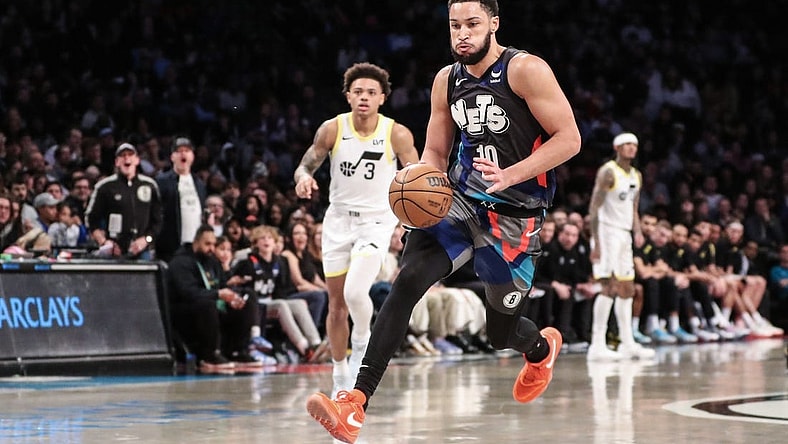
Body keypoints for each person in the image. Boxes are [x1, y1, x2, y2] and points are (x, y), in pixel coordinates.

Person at [305, 2, 581, 442]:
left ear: (494, 24)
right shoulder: (446, 80)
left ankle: (540, 349)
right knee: (408, 281)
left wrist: (511, 174)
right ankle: (354, 403)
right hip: (461, 201)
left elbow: (570, 139)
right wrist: (420, 184)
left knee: (500, 332)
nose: (463, 35)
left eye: (472, 24)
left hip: (515, 218)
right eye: (455, 26)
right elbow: (435, 150)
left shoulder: (525, 70)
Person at [293, 62, 419, 396]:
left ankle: (361, 340)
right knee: (336, 306)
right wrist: (304, 177)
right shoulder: (332, 129)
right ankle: (339, 377)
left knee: (353, 293)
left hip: (376, 221)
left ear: (382, 98)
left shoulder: (397, 134)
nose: (364, 97)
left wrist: (407, 222)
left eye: (371, 93)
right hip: (337, 221)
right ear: (348, 96)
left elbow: (418, 180)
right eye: (358, 92)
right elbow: (307, 163)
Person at [587, 132, 655, 361]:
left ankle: (628, 343)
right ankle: (597, 344)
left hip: (624, 234)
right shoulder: (608, 171)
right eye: (626, 144)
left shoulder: (636, 174)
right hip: (606, 232)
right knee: (608, 287)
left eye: (634, 144)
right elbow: (594, 208)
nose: (631, 148)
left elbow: (633, 207)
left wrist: (637, 230)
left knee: (628, 288)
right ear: (617, 147)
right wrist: (595, 241)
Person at [167, 225, 262, 372]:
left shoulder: (212, 262)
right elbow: (188, 293)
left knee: (247, 296)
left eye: (213, 244)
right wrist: (217, 295)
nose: (211, 248)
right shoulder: (180, 263)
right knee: (207, 303)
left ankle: (238, 351)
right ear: (196, 242)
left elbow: (223, 285)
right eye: (207, 244)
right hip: (186, 310)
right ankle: (209, 355)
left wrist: (234, 297)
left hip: (212, 305)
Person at [84, 143, 162, 259]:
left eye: (130, 155)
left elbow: (158, 220)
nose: (126, 158)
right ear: (117, 162)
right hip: (114, 251)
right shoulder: (105, 187)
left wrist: (146, 240)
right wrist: (104, 242)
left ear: (137, 160)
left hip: (143, 250)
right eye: (123, 155)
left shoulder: (150, 185)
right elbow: (90, 218)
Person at [155, 137, 208, 262]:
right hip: (171, 247)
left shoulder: (199, 184)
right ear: (172, 157)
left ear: (192, 156)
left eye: (187, 150)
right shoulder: (162, 181)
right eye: (179, 151)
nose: (183, 153)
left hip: (195, 246)